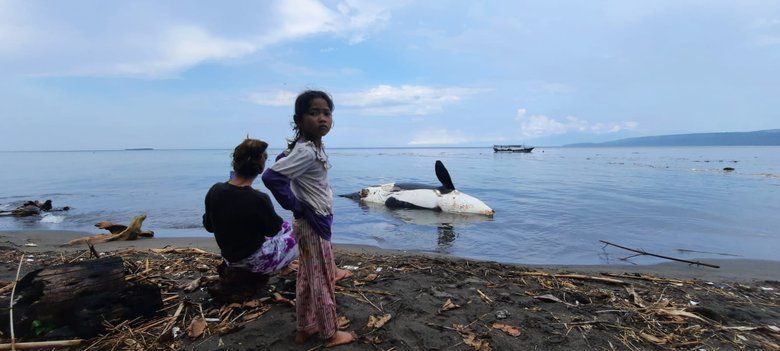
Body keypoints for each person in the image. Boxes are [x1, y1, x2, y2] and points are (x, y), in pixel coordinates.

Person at [262, 90, 356, 347]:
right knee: (323, 278)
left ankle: (305, 327)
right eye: (314, 113)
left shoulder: (309, 147)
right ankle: (329, 333)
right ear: (299, 120)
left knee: (305, 277)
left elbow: (283, 162)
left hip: (308, 224)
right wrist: (297, 205)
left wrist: (299, 204)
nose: (322, 118)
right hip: (313, 223)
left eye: (327, 113)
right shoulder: (307, 151)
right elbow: (271, 177)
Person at [203, 139, 298, 277]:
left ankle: (285, 264)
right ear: (261, 166)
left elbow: (209, 226)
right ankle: (290, 265)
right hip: (253, 264)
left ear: (235, 163)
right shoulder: (258, 198)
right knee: (299, 233)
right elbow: (272, 230)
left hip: (230, 259)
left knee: (285, 226)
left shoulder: (215, 190)